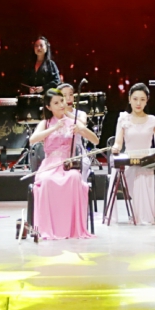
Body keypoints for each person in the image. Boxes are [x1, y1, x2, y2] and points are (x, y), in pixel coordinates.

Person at [31, 87, 98, 239]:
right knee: (47, 180)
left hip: (68, 165)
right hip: (50, 165)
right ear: (48, 107)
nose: (62, 104)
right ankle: (50, 228)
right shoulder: (46, 123)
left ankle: (72, 228)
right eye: (56, 103)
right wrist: (54, 128)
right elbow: (33, 139)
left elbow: (95, 140)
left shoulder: (72, 122)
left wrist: (82, 129)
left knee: (74, 177)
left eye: (62, 101)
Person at [110, 83, 155, 226]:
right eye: (135, 99)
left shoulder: (152, 120)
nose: (138, 103)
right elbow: (118, 143)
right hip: (130, 164)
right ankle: (141, 216)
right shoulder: (123, 119)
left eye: (142, 99)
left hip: (147, 162)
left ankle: (146, 215)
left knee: (145, 173)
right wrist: (115, 147)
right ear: (129, 99)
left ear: (147, 101)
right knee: (138, 174)